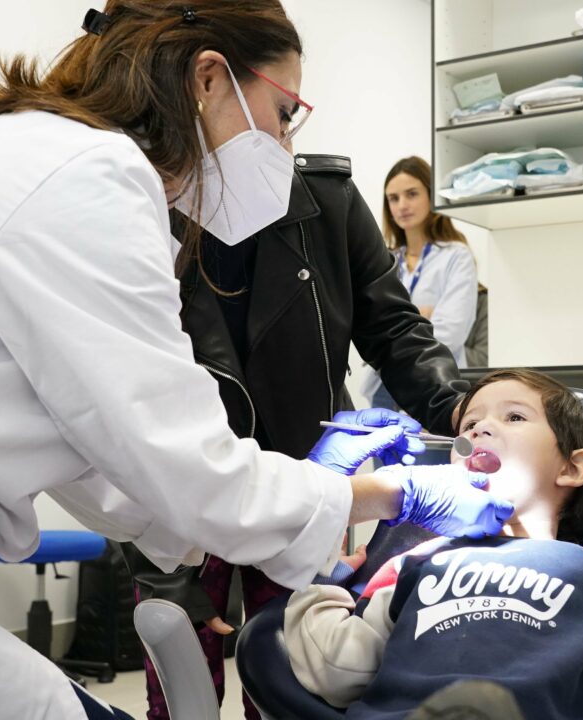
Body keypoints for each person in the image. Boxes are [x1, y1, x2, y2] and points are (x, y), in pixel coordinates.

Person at [0, 3, 514, 718]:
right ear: (211, 77)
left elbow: (117, 469)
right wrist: (393, 490)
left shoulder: (36, 155)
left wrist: (299, 495)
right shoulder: (91, 176)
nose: (289, 143)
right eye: (287, 110)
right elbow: (185, 471)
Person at [128, 152, 471, 720]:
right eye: (282, 108)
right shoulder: (146, 203)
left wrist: (458, 408)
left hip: (304, 481)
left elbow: (394, 330)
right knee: (179, 686)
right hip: (185, 489)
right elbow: (122, 404)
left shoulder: (324, 199)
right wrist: (154, 566)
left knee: (295, 685)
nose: (285, 133)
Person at [285, 369, 583, 720]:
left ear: (572, 468)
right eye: (470, 423)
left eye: (514, 417)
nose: (478, 431)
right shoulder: (415, 565)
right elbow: (338, 670)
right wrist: (321, 573)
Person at [364, 156, 478, 410]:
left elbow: (452, 331)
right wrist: (422, 317)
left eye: (412, 194)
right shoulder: (386, 260)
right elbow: (371, 325)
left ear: (430, 195)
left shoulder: (456, 255)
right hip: (384, 385)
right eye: (393, 198)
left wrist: (401, 328)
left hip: (436, 381)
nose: (402, 205)